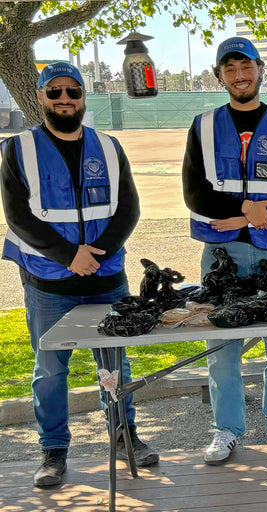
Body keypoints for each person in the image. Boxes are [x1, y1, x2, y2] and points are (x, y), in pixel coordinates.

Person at [0, 62, 158, 487]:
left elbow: (128, 209)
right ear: (40, 97)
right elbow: (18, 216)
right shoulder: (18, 149)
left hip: (106, 279)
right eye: (55, 92)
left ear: (83, 95)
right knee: (50, 372)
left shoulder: (109, 147)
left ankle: (125, 435)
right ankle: (53, 450)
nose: (65, 99)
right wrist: (70, 256)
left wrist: (94, 255)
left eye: (73, 91)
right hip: (49, 283)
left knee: (115, 369)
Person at [182, 37, 267, 464]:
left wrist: (246, 218)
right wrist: (243, 207)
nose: (240, 76)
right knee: (223, 348)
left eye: (247, 67)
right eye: (230, 69)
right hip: (222, 255)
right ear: (219, 75)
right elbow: (195, 194)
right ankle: (226, 430)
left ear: (261, 70)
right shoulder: (202, 126)